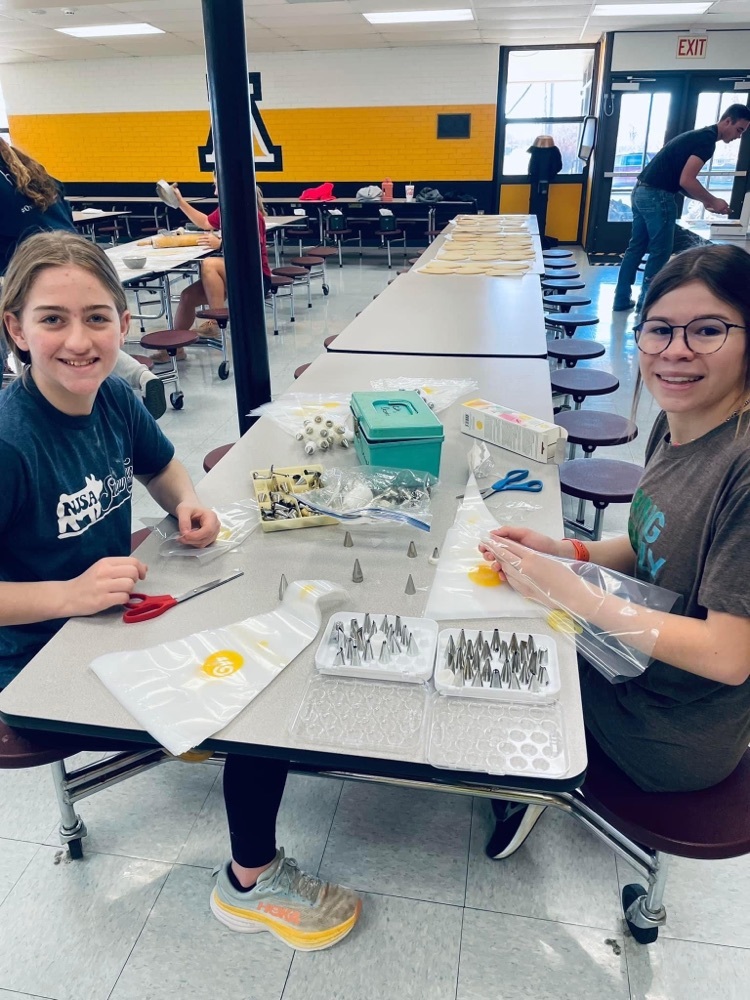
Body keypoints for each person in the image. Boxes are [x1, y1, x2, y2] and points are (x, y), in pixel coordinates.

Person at [0, 230, 361, 949]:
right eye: (53, 319)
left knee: (259, 616)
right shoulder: (11, 443)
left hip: (110, 616)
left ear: (122, 324)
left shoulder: (113, 400)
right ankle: (251, 881)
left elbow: (162, 470)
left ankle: (189, 723)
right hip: (39, 662)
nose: (79, 340)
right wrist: (67, 595)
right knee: (267, 693)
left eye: (97, 318)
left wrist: (186, 504)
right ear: (15, 327)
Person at [481, 243, 750, 858]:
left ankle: (537, 784)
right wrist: (567, 548)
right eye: (659, 330)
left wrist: (573, 595)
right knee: (515, 615)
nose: (675, 351)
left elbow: (730, 654)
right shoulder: (684, 419)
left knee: (511, 653)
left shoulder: (743, 469)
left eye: (708, 330)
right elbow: (648, 540)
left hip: (672, 728)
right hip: (639, 673)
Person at [0, 138, 166, 418]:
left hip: (29, 271)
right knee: (87, 330)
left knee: (51, 333)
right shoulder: (33, 173)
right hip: (78, 260)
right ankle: (140, 375)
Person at [612, 104, 750, 314]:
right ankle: (647, 307)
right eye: (739, 130)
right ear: (727, 121)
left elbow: (680, 180)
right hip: (658, 196)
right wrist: (713, 199)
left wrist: (705, 201)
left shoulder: (697, 136)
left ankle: (621, 299)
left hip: (641, 190)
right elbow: (687, 179)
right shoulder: (706, 142)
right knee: (660, 252)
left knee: (636, 248)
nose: (738, 137)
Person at [171, 181, 272, 338]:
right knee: (187, 297)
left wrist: (222, 244)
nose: (216, 192)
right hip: (236, 274)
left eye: (217, 186)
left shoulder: (251, 213)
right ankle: (175, 349)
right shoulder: (226, 209)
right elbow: (205, 222)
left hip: (256, 277)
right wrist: (180, 202)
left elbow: (251, 248)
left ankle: (214, 323)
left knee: (209, 264)